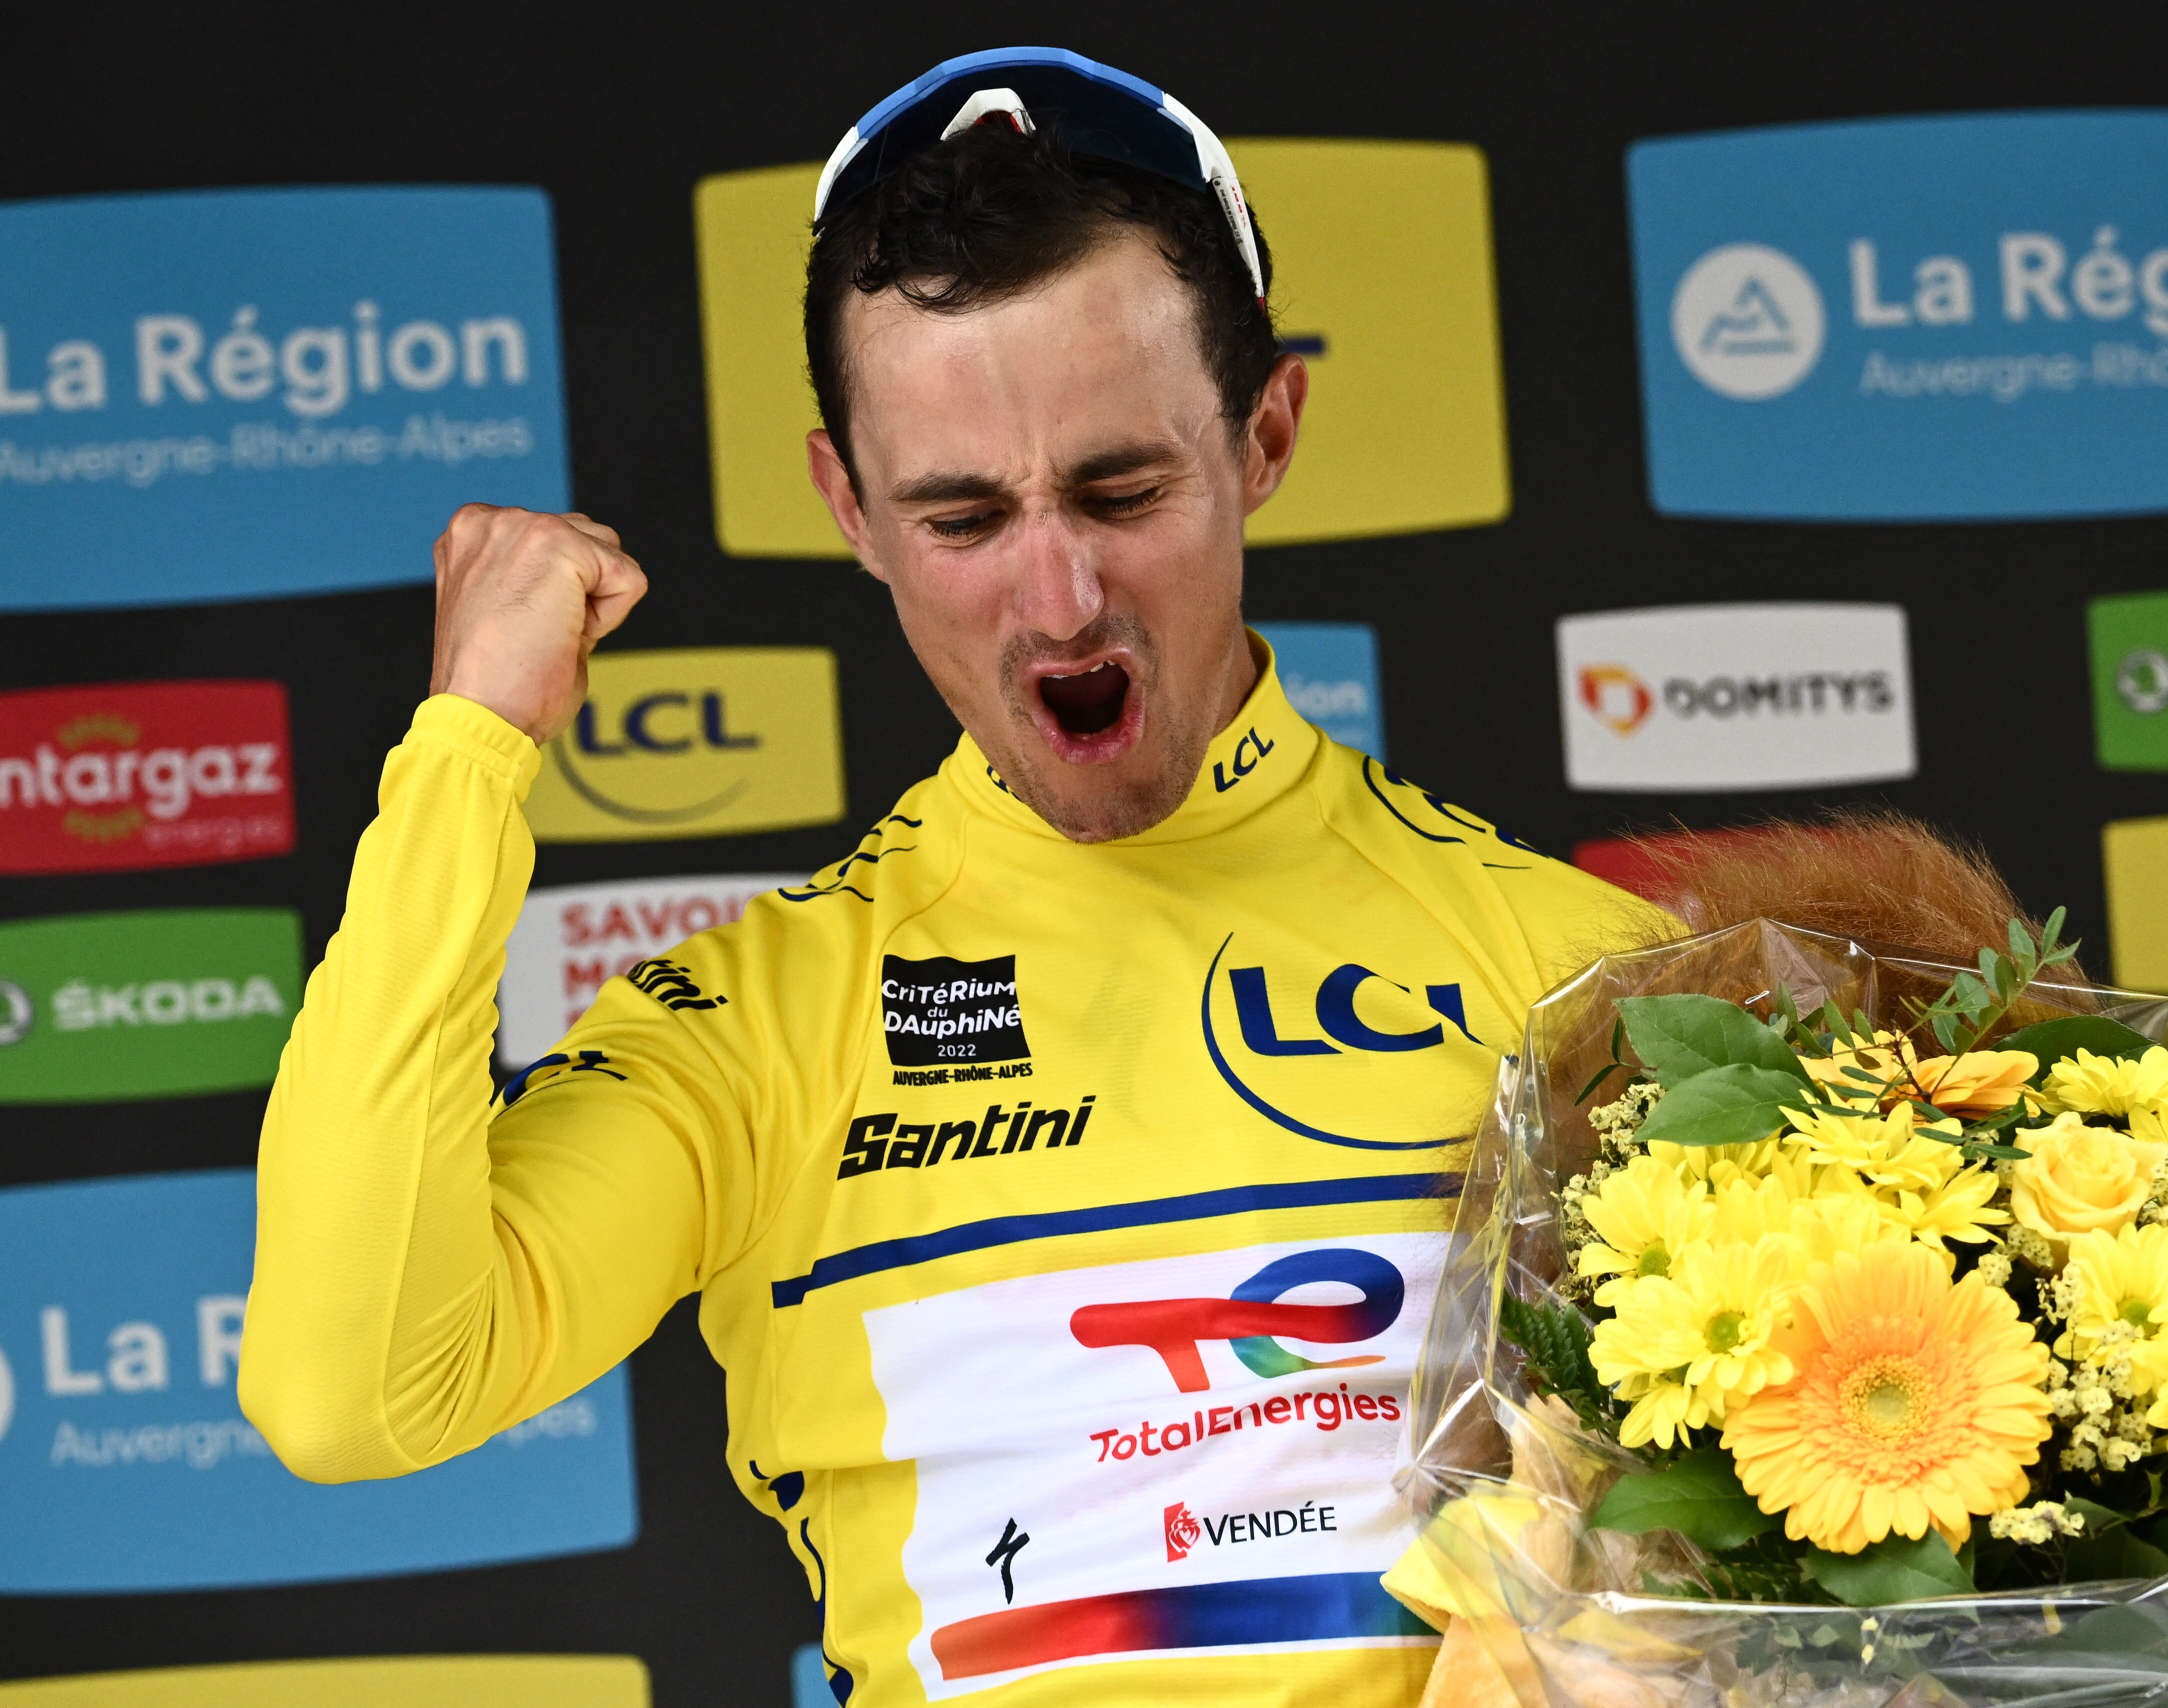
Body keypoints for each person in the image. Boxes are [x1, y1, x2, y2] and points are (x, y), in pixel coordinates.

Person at [241, 46, 1655, 1707]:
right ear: (846, 504)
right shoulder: (763, 1024)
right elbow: (352, 1390)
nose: (1058, 602)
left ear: (1267, 431)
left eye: (1122, 491)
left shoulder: (1579, 972)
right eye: (963, 517)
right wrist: (469, 749)